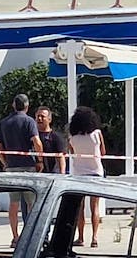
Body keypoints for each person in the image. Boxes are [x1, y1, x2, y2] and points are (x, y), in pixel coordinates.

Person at [0, 93, 43, 240]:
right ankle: (29, 236)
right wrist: (40, 160)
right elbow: (37, 142)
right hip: (28, 166)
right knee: (31, 203)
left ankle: (15, 237)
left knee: (14, 203)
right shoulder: (29, 122)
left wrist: (5, 163)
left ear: (14, 106)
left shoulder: (3, 123)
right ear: (27, 106)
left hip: (12, 167)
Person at [66, 105, 107, 247]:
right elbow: (103, 152)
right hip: (96, 172)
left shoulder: (72, 137)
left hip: (79, 174)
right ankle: (95, 238)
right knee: (94, 207)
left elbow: (71, 153)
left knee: (80, 208)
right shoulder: (96, 133)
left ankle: (81, 237)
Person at [35, 106, 69, 172]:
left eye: (42, 116)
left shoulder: (55, 137)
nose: (39, 118)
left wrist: (62, 174)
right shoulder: (33, 136)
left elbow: (61, 157)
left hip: (51, 173)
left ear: (49, 119)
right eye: (37, 116)